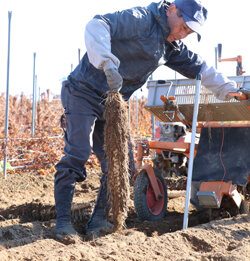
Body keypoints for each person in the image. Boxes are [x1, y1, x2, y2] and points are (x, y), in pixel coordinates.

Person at [54, 0, 240, 237]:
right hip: (83, 92)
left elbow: (202, 68)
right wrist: (106, 62)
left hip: (112, 105)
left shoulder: (170, 47)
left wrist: (230, 90)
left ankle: (98, 220)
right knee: (77, 154)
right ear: (172, 9)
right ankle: (62, 224)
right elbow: (97, 24)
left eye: (189, 32)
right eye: (183, 27)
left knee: (123, 164)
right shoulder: (142, 19)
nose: (184, 34)